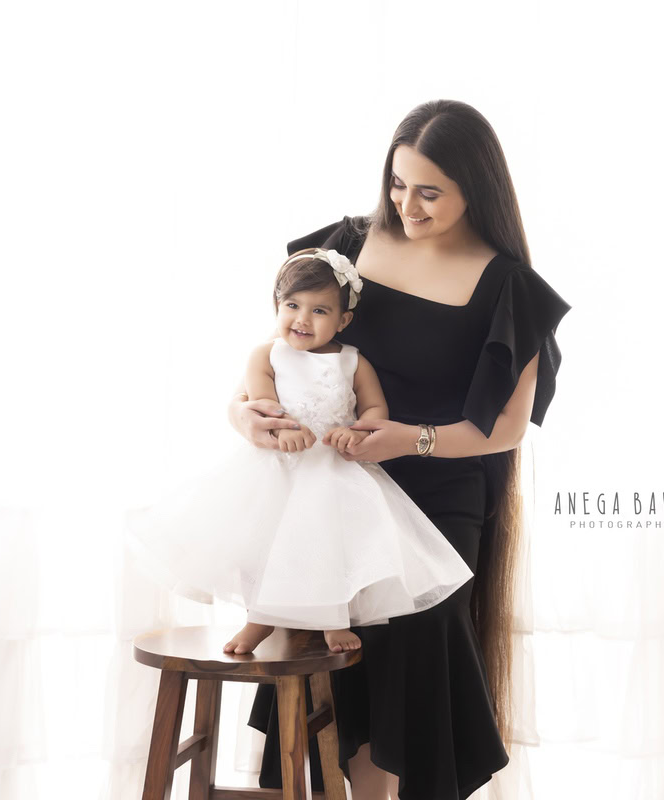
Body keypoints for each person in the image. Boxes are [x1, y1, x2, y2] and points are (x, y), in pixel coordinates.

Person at [230, 100, 571, 800]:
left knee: (415, 634)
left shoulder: (509, 287)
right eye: (396, 183)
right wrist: (244, 414)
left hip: (441, 490)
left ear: (475, 188)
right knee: (333, 653)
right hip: (333, 485)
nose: (405, 205)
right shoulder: (344, 247)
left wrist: (409, 439)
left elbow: (506, 427)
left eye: (428, 191)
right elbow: (283, 355)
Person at [125, 248, 473, 655]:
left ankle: (332, 618)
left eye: (320, 311)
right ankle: (259, 620)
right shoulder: (266, 354)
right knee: (263, 548)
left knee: (328, 545)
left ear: (343, 320)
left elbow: (374, 407)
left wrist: (355, 432)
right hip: (277, 468)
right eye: (292, 305)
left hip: (331, 467)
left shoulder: (352, 361)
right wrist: (283, 428)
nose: (302, 319)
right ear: (277, 305)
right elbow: (263, 402)